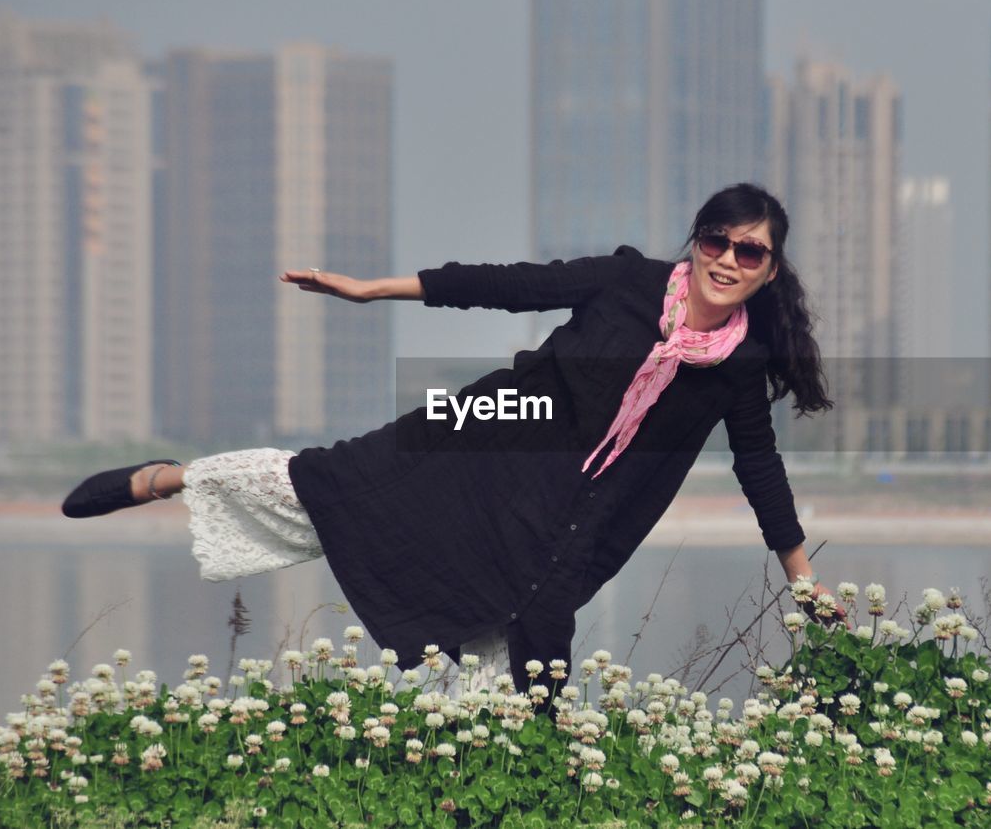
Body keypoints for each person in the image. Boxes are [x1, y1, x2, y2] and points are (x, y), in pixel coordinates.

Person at [62, 183, 838, 692]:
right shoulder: (629, 282)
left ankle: (483, 784)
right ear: (697, 241)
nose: (726, 260)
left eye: (749, 252)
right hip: (491, 434)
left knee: (534, 649)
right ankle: (175, 478)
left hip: (579, 510)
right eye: (716, 240)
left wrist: (802, 582)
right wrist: (375, 290)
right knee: (340, 481)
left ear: (769, 272)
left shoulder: (739, 363)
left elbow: (758, 467)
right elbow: (507, 285)